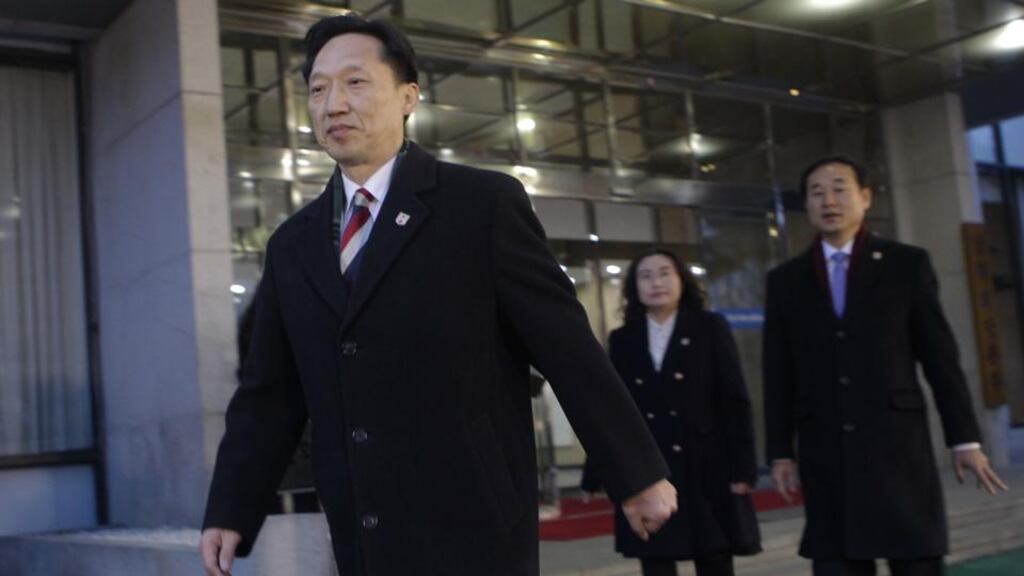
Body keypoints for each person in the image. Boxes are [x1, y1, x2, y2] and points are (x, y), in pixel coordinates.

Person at [200, 14, 677, 576]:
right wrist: (231, 507)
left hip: (474, 518)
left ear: (408, 96)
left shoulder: (482, 206)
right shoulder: (292, 245)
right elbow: (269, 395)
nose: (333, 104)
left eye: (355, 82)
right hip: (365, 528)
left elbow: (567, 349)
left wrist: (637, 472)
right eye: (318, 88)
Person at [763, 156, 1009, 576]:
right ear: (807, 205)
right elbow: (778, 371)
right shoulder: (786, 279)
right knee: (837, 563)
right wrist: (780, 450)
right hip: (826, 452)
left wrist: (964, 438)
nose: (829, 200)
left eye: (840, 188)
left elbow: (940, 358)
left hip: (896, 449)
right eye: (817, 192)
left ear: (865, 197)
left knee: (914, 561)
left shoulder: (905, 264)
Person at [581, 249, 761, 576]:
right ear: (634, 287)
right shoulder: (623, 339)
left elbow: (734, 400)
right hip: (649, 468)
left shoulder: (710, 327)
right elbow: (613, 411)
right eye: (645, 276)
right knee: (656, 559)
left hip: (706, 463)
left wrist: (743, 469)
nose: (656, 282)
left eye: (665, 273)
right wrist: (596, 472)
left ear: (682, 280)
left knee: (714, 556)